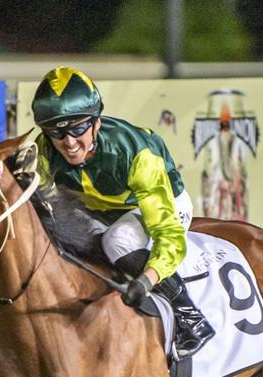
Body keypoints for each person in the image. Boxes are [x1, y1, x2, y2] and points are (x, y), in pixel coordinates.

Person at [31, 66, 213, 357]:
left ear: (96, 122)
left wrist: (147, 280)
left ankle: (190, 316)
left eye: (78, 128)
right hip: (100, 212)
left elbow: (168, 235)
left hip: (158, 206)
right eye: (57, 132)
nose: (69, 142)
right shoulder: (43, 151)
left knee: (119, 240)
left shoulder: (136, 152)